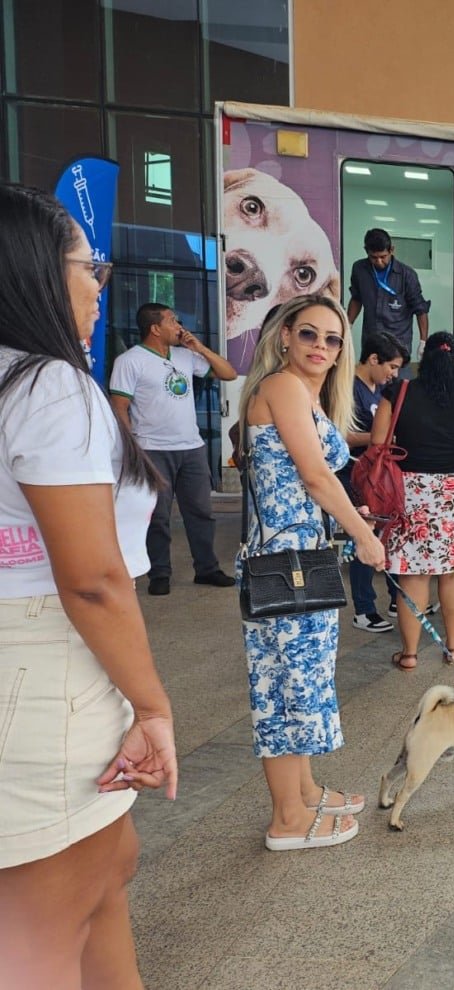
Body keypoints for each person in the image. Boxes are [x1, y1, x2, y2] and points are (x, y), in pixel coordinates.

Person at [0, 182, 178, 986]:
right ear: (35, 270)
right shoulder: (46, 386)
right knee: (47, 928)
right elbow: (95, 579)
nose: (100, 286)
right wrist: (153, 706)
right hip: (47, 666)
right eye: (90, 266)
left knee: (107, 872)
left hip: (44, 664)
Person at [236, 294, 387, 850]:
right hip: (284, 561)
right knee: (285, 689)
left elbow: (312, 484)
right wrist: (365, 535)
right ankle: (287, 820)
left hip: (302, 554)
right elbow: (318, 478)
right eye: (309, 334)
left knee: (305, 682)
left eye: (332, 338)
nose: (321, 346)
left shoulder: (306, 394)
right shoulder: (280, 387)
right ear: (284, 337)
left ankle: (302, 794)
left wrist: (352, 519)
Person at [373, 332, 454, 669]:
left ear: (423, 360)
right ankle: (453, 649)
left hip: (410, 492)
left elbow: (379, 443)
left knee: (413, 576)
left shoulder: (399, 393)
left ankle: (409, 654)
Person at [108, 302, 238, 596]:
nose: (179, 326)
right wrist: (133, 450)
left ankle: (207, 569)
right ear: (155, 328)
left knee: (201, 511)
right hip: (152, 449)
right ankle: (159, 573)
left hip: (191, 447)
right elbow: (120, 406)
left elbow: (228, 373)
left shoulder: (185, 357)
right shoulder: (130, 361)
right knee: (158, 515)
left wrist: (200, 348)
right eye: (172, 320)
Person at [339, 331, 406, 633]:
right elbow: (341, 435)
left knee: (385, 536)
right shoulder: (346, 388)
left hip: (377, 476)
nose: (394, 374)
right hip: (352, 473)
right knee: (365, 535)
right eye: (391, 366)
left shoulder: (379, 390)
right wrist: (381, 438)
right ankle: (364, 609)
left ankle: (395, 597)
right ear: (373, 359)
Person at [345, 228, 430, 362]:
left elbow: (420, 310)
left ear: (392, 250)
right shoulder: (360, 269)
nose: (379, 261)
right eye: (373, 257)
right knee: (368, 380)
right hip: (371, 341)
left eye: (383, 257)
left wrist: (423, 341)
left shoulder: (407, 275)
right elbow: (356, 298)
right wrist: (348, 325)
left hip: (398, 345)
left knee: (397, 381)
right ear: (366, 251)